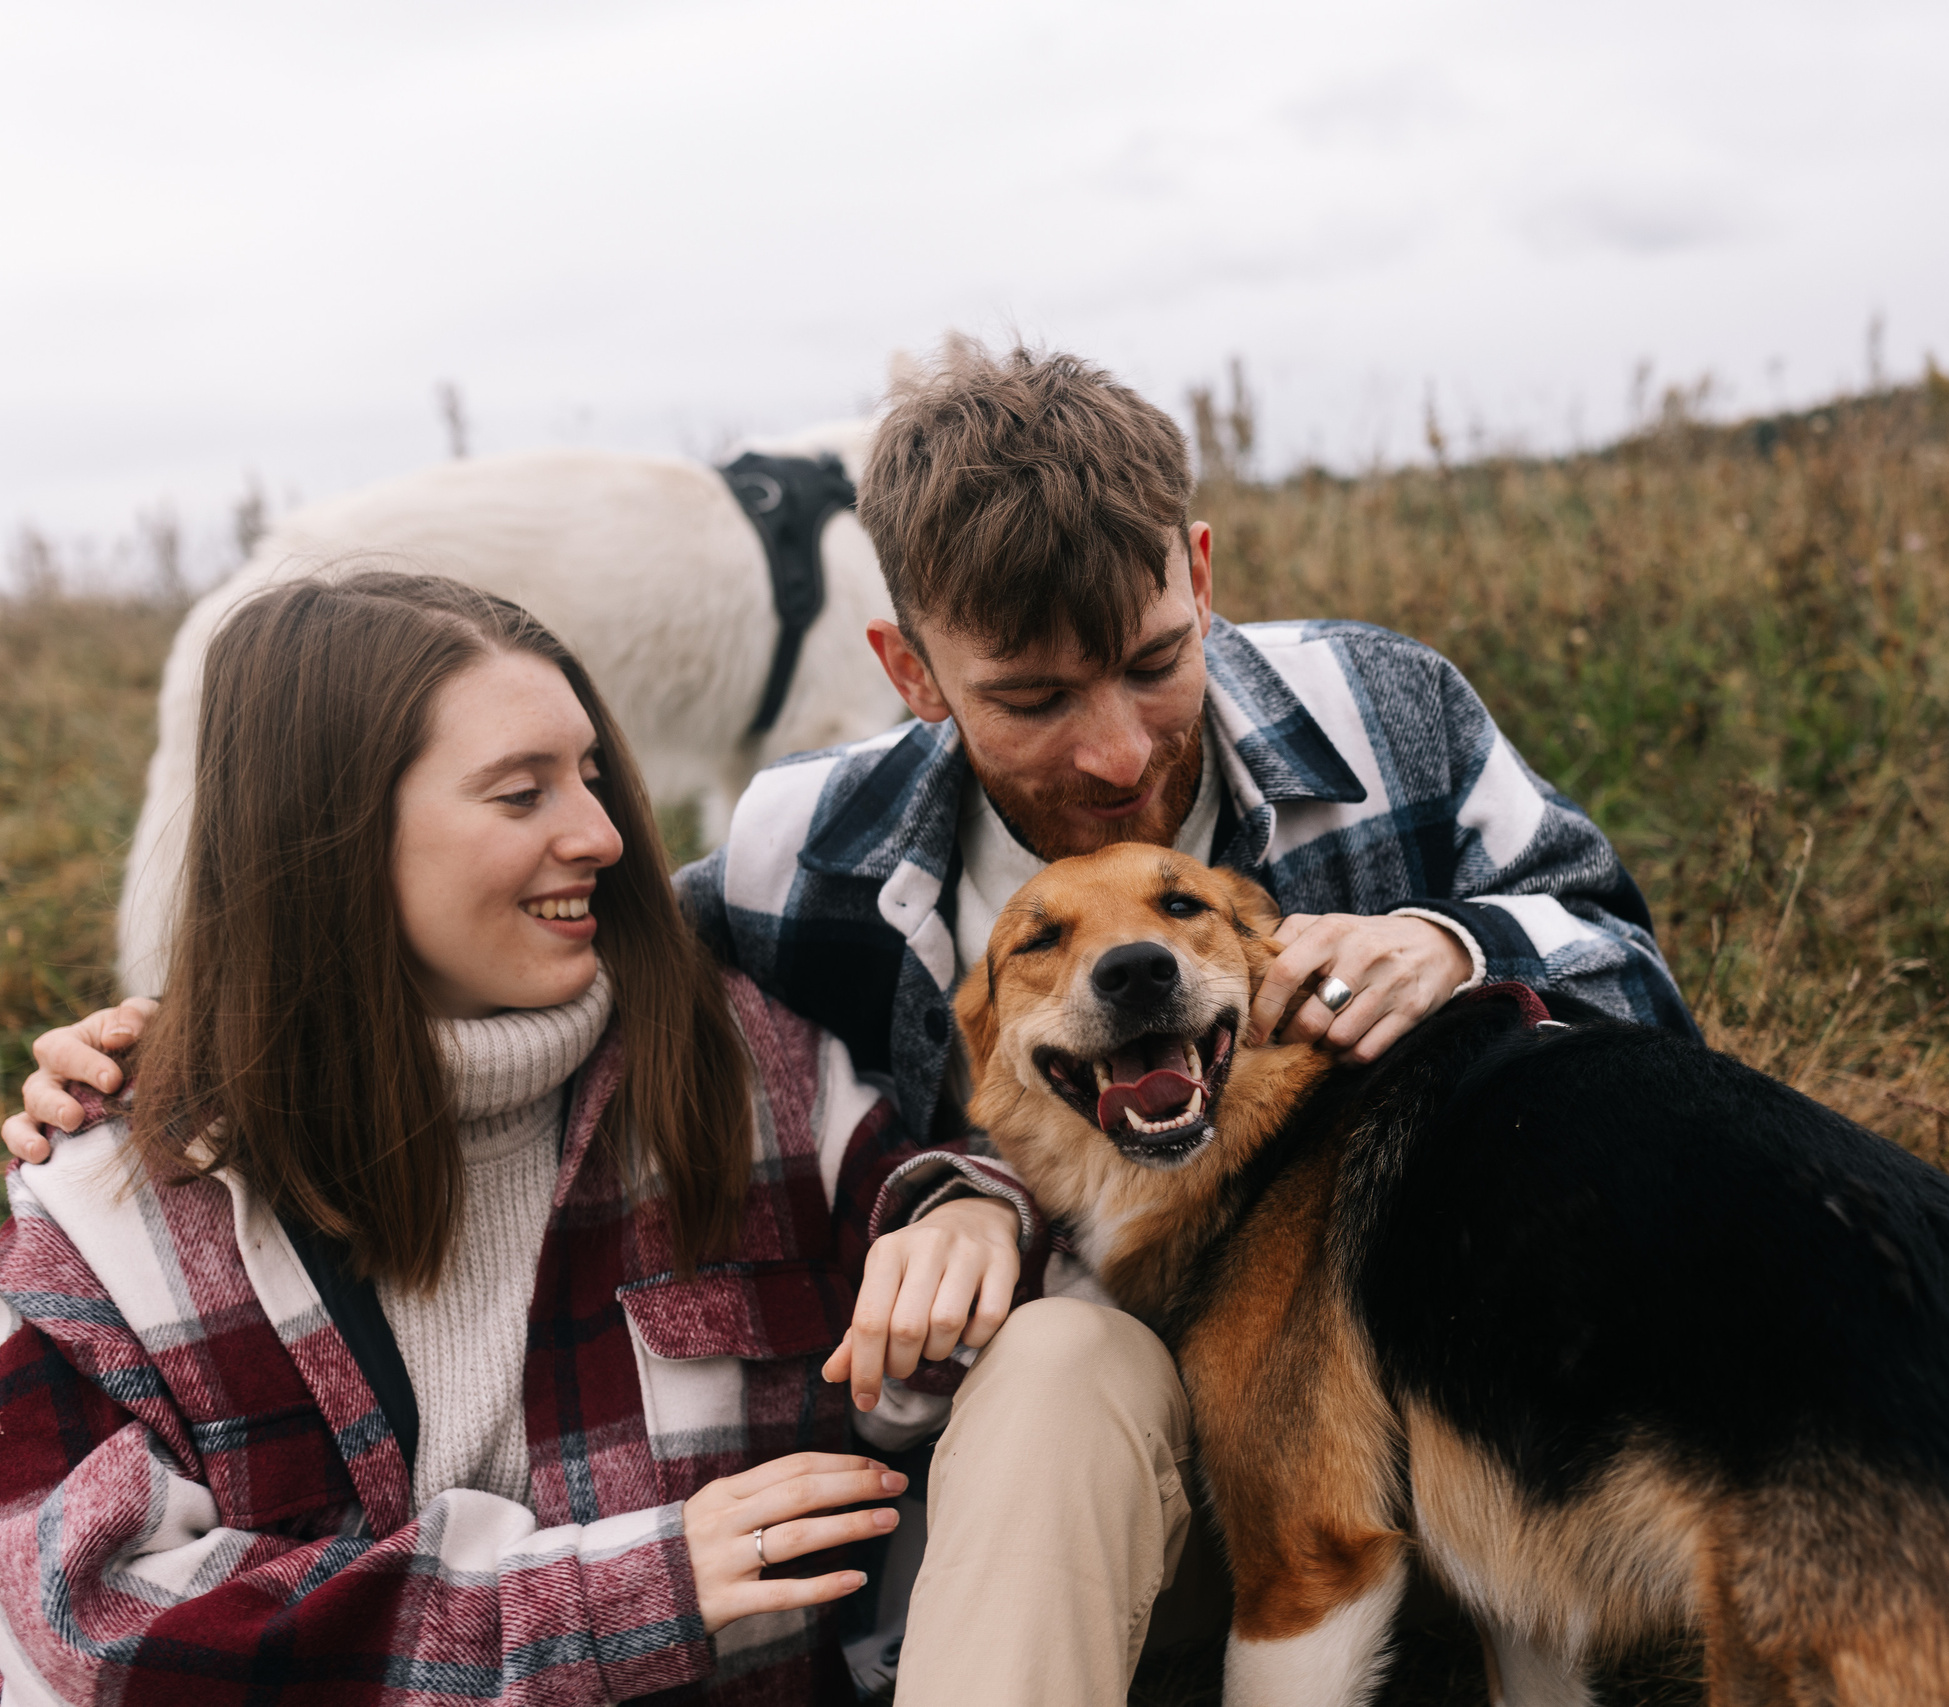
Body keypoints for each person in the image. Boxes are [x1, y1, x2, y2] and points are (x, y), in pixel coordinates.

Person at [11, 342, 1693, 1703]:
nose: (1114, 753)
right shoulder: (800, 854)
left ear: (1198, 570)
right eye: (1031, 699)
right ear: (907, 666)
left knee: (1080, 1352)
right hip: (1121, 1458)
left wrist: (1453, 946)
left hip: (1423, 1397)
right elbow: (583, 949)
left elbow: (1635, 986)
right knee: (1081, 1351)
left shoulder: (1382, 717)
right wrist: (203, 1023)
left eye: (1158, 661)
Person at [0, 573, 916, 1705]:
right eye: (521, 794)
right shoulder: (109, 1205)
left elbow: (961, 1328)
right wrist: (617, 1598)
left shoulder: (747, 1068)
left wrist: (970, 1207)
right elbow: (99, 1628)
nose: (605, 833)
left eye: (588, 776)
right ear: (333, 836)